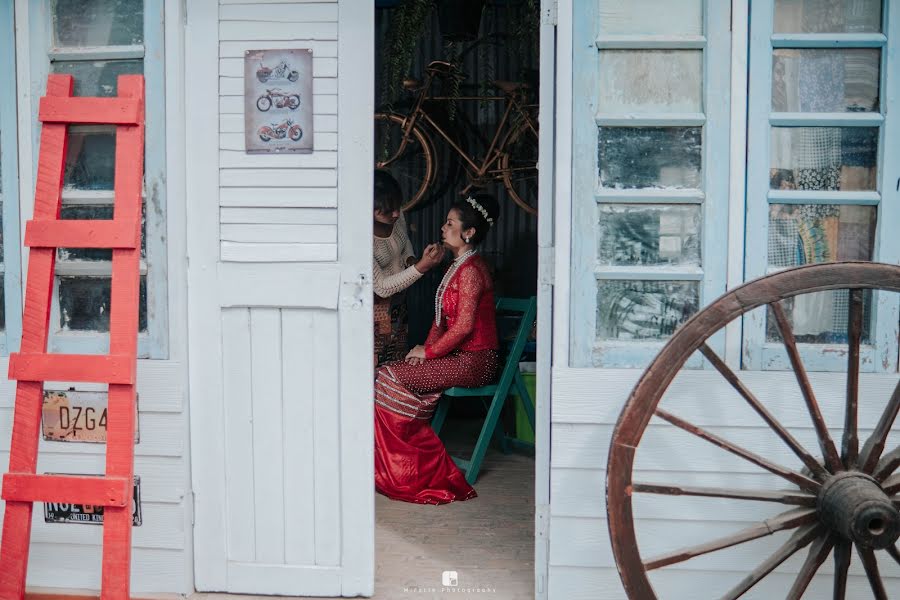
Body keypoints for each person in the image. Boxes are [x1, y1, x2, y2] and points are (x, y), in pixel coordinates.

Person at [374, 193, 501, 504]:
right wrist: (424, 350)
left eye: (450, 223)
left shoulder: (471, 270)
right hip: (457, 357)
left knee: (389, 376)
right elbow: (441, 322)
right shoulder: (457, 266)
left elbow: (464, 327)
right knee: (386, 374)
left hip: (476, 361)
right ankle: (399, 466)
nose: (443, 228)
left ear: (468, 233)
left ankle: (412, 469)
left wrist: (428, 354)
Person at [372, 170, 444, 366]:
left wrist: (412, 260)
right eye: (387, 211)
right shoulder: (362, 237)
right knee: (375, 366)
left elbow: (404, 244)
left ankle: (394, 397)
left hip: (399, 305)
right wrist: (421, 267)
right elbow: (381, 287)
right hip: (376, 312)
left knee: (398, 361)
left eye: (397, 206)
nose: (395, 213)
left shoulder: (396, 216)